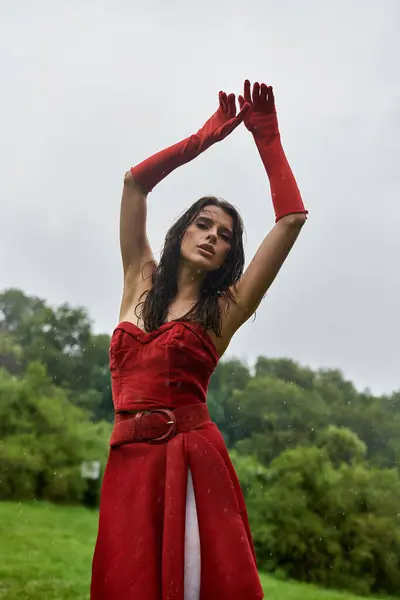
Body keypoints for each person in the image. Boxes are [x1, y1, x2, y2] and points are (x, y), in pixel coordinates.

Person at [90, 80, 307, 600]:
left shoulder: (224, 310)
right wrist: (201, 139)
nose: (212, 235)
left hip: (190, 460)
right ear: (182, 231)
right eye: (203, 224)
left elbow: (291, 219)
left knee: (194, 586)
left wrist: (267, 138)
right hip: (129, 463)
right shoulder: (137, 279)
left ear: (229, 254)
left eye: (225, 234)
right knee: (127, 583)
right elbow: (134, 185)